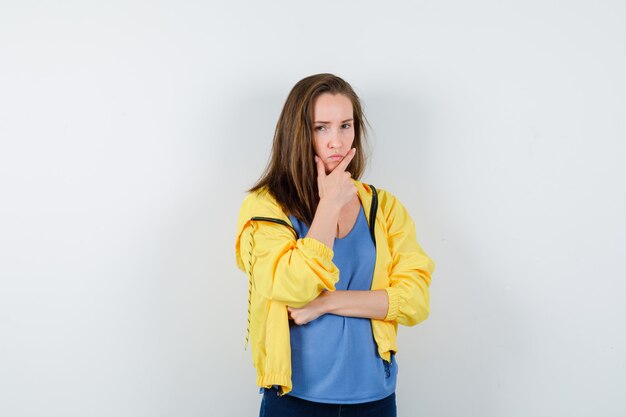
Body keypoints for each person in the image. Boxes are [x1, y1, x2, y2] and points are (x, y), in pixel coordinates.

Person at [235, 73, 434, 417]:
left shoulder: (383, 208)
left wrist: (327, 303)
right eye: (321, 128)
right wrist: (328, 206)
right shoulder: (266, 207)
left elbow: (416, 300)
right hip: (295, 401)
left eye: (345, 125)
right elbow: (291, 287)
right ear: (298, 133)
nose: (336, 142)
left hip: (374, 399)